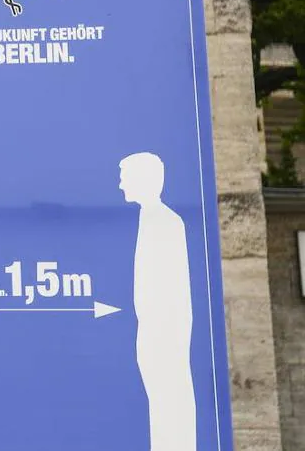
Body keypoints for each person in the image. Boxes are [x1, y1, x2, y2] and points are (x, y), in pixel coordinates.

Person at [120, 152, 195, 451]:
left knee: (170, 403)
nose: (120, 183)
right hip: (152, 334)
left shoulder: (166, 222)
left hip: (165, 335)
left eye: (125, 176)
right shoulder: (148, 218)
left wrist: (165, 338)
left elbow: (172, 288)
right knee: (160, 405)